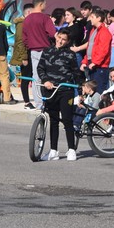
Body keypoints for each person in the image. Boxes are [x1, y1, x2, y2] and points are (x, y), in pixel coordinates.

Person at [37, 28, 80, 161]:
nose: (60, 41)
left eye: (64, 40)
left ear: (67, 42)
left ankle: (71, 149)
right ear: (56, 36)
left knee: (67, 120)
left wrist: (82, 87)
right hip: (50, 90)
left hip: (65, 90)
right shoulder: (47, 51)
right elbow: (40, 68)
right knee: (54, 121)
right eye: (59, 38)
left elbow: (76, 72)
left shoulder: (70, 54)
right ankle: (53, 151)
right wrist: (45, 81)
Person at [21, 0, 56, 108]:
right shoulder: (45, 18)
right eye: (45, 4)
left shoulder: (27, 19)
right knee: (49, 75)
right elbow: (52, 34)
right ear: (41, 4)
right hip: (46, 51)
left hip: (33, 51)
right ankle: (49, 101)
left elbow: (24, 38)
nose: (46, 6)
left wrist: (30, 44)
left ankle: (38, 103)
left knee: (36, 77)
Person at [81, 8, 112, 90]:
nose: (90, 18)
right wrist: (85, 61)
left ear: (98, 18)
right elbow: (90, 48)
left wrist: (95, 62)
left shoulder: (104, 32)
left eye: (92, 17)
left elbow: (103, 50)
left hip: (100, 67)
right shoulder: (93, 30)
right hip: (92, 65)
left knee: (99, 90)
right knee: (92, 90)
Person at [11, 4, 34, 109]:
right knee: (25, 78)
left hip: (29, 53)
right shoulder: (22, 24)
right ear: (29, 12)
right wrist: (24, 57)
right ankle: (26, 101)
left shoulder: (27, 23)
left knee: (29, 77)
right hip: (25, 55)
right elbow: (21, 42)